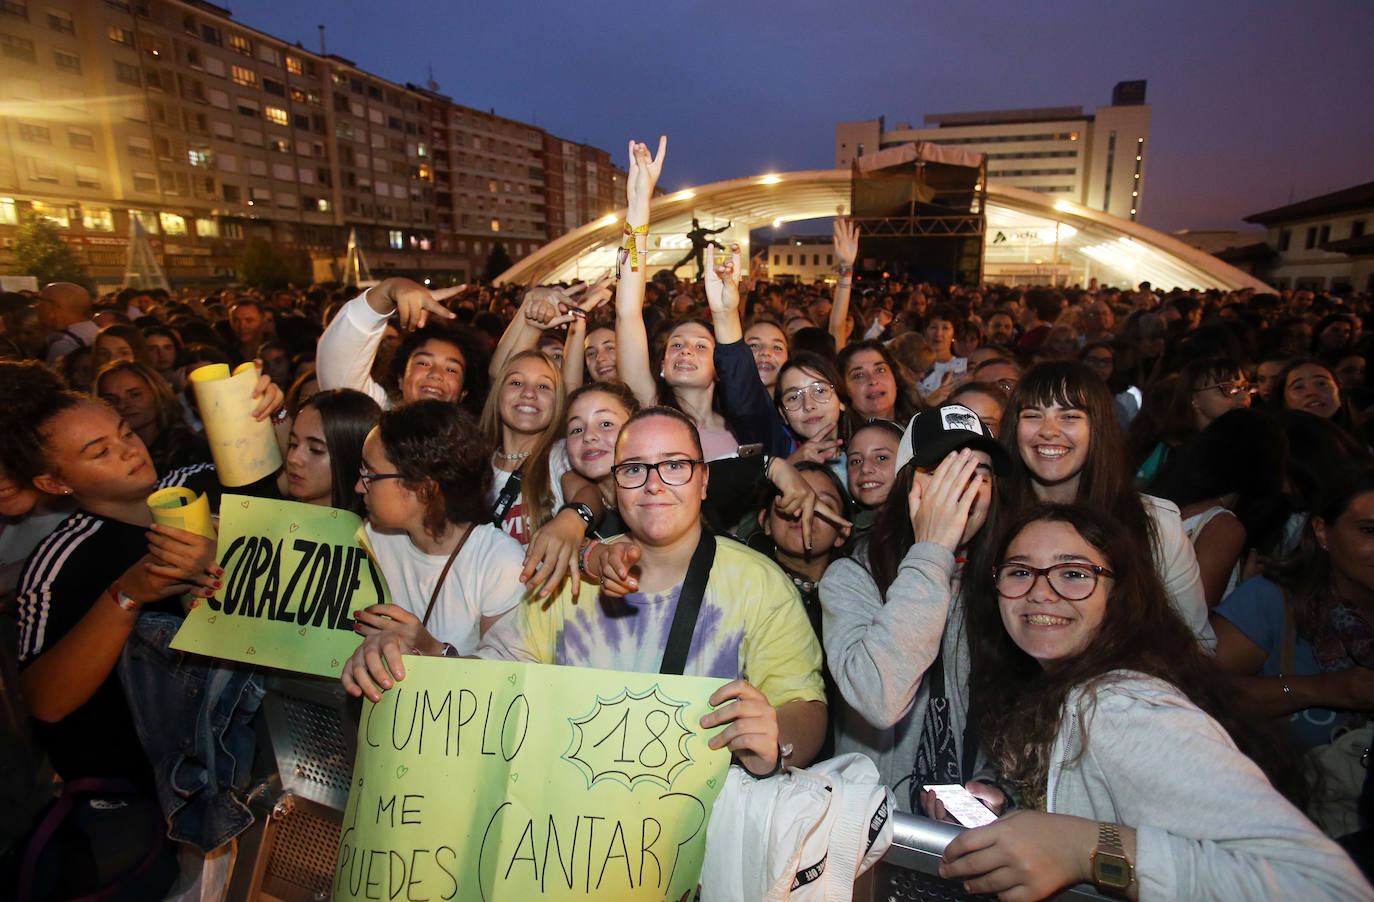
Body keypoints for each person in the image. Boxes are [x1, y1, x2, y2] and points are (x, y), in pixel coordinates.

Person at [349, 405, 829, 778]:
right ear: (616, 485)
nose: (654, 485)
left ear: (703, 481)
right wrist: (409, 662)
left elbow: (804, 706)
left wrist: (774, 743)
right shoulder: (568, 579)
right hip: (569, 835)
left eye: (675, 466)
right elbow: (496, 677)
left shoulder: (759, 584)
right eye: (634, 469)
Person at [941, 502, 1372, 901]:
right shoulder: (1055, 690)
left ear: (1120, 593)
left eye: (1073, 573)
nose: (1041, 591)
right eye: (1020, 571)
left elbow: (1325, 887)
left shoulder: (1122, 707)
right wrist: (1004, 799)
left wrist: (1088, 849)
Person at [821, 403, 1009, 810]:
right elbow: (878, 698)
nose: (963, 489)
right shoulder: (852, 579)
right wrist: (931, 552)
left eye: (979, 474)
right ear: (908, 485)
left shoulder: (1008, 586)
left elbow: (1019, 721)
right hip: (873, 836)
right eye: (943, 473)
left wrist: (996, 789)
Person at [999, 361, 1214, 649]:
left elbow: (1197, 645)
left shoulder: (1154, 524)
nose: (1048, 431)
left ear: (1097, 427)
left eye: (1069, 416)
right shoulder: (989, 518)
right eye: (1033, 415)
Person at [1212, 468, 1374, 834]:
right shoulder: (1272, 602)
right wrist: (1321, 689)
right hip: (1287, 824)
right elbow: (1196, 696)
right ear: (1322, 532)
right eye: (1369, 531)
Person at [341, 400, 526, 676]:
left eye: (370, 475)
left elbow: (506, 675)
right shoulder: (368, 539)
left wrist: (428, 647)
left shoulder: (497, 561)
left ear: (424, 489)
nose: (359, 486)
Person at [316, 276, 490, 416]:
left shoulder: (474, 450)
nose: (436, 374)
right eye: (423, 363)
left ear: (463, 393)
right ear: (400, 378)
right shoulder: (377, 419)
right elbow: (338, 364)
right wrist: (390, 289)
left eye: (451, 369)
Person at [95, 360, 211, 473]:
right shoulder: (102, 460)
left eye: (135, 395)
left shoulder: (190, 450)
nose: (122, 405)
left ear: (157, 394)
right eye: (110, 400)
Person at [282, 389, 381, 516]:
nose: (293, 458)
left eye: (315, 450)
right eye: (293, 444)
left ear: (351, 457)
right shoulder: (270, 519)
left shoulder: (368, 534)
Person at [37, 281, 99, 366]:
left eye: (41, 303)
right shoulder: (99, 334)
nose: (37, 308)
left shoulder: (62, 344)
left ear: (54, 307)